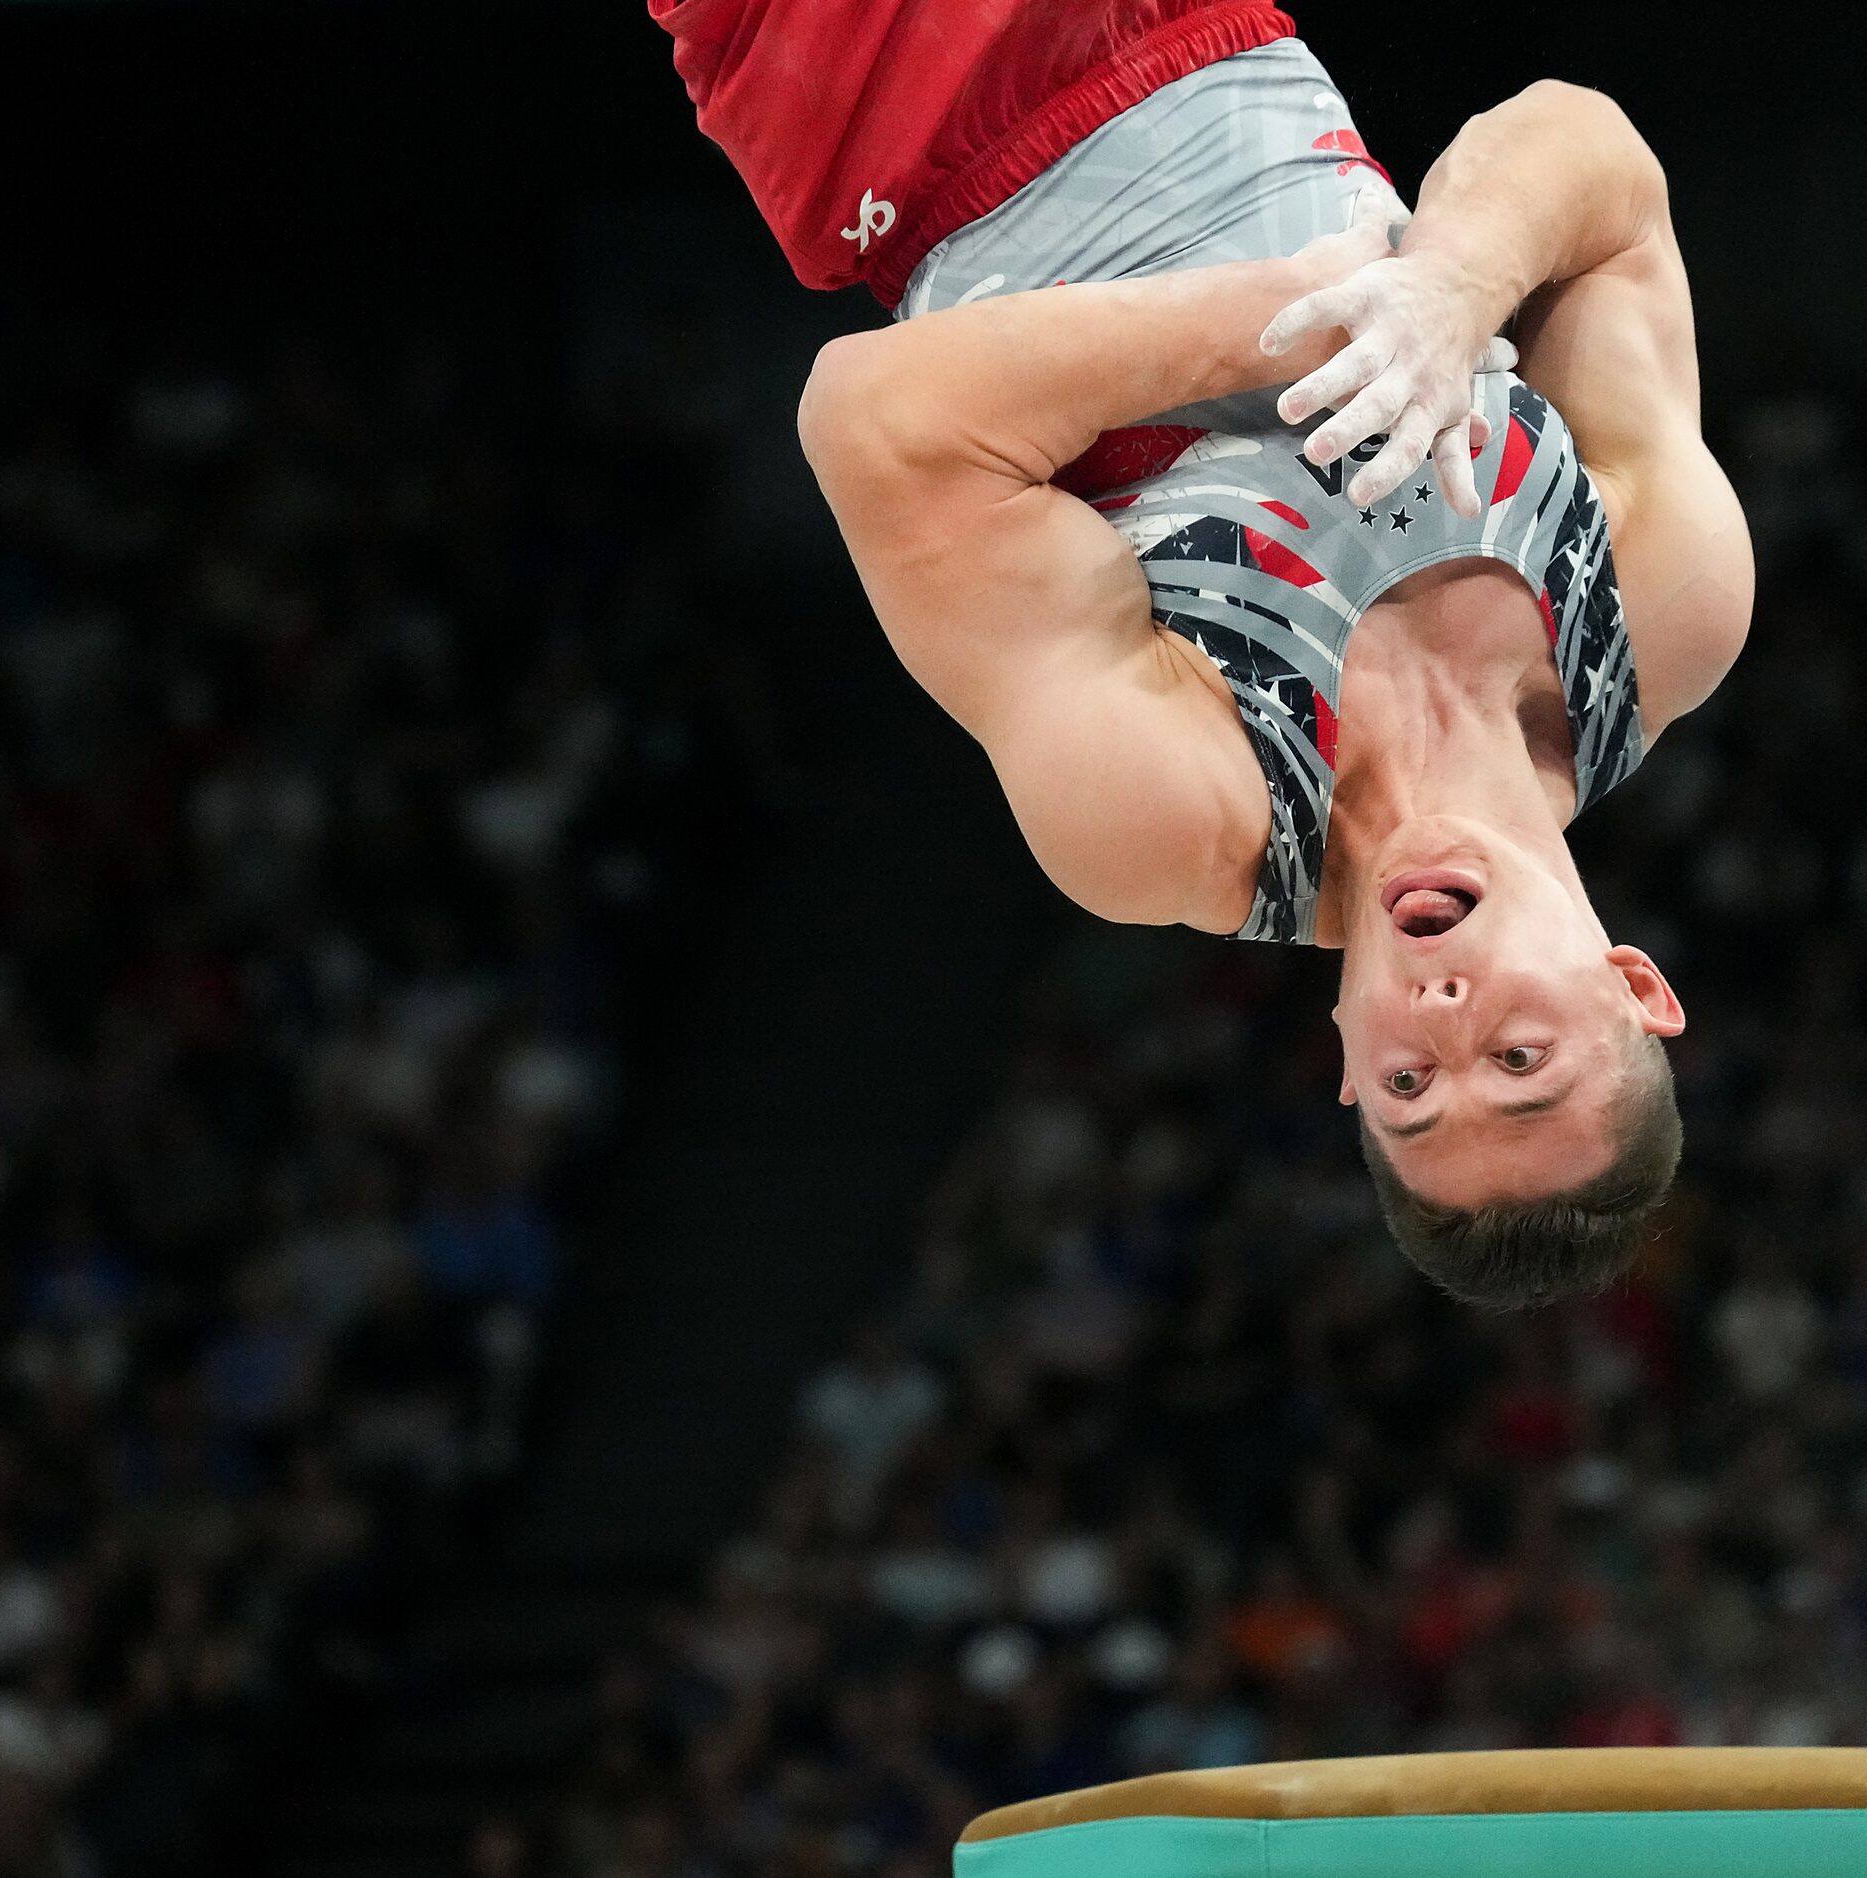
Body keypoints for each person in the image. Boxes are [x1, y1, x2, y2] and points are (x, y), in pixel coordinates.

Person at [652, 1, 1754, 1306]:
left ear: (1344, 1060)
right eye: (1518, 1056)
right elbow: (1594, 161)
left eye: (1409, 1088)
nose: (1445, 1014)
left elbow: (869, 421)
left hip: (887, 90)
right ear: (1631, 989)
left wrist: (1310, 314)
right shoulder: (1656, 610)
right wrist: (1453, 280)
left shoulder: (1181, 816)